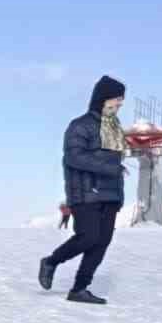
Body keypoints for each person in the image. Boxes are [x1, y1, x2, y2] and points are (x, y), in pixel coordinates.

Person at [39, 75, 127, 304]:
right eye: (117, 99)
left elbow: (111, 160)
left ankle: (79, 289)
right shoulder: (80, 125)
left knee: (102, 242)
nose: (120, 104)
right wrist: (112, 168)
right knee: (88, 237)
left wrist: (118, 176)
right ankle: (51, 261)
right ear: (103, 98)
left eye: (121, 100)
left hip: (110, 194)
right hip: (86, 192)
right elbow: (74, 157)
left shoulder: (115, 128)